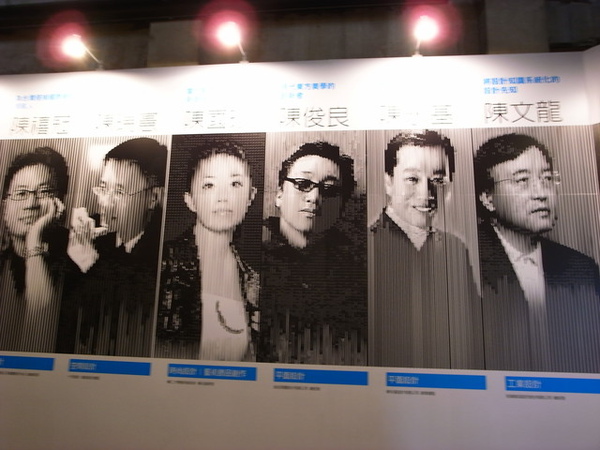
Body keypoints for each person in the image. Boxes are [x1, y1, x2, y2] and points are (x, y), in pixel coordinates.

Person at [474, 133, 600, 372]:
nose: (541, 193)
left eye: (547, 178)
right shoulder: (464, 263)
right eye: (522, 180)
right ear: (487, 198)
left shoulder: (581, 268)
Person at [370, 130, 484, 369]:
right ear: (388, 182)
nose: (427, 194)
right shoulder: (366, 246)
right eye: (412, 179)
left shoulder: (454, 248)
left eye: (438, 180)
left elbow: (472, 329)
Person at [259, 141, 367, 365]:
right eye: (302, 184)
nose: (315, 198)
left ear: (342, 205)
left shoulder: (356, 270)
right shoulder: (247, 255)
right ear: (279, 194)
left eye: (330, 190)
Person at [58, 137, 167, 356]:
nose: (105, 202)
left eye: (118, 192)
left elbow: (133, 324)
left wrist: (90, 264)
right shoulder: (88, 234)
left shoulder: (163, 250)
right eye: (103, 188)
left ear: (153, 197)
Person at [155, 140, 259, 361]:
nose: (223, 197)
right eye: (209, 185)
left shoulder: (253, 281)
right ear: (190, 200)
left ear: (251, 196)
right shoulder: (162, 264)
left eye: (235, 184)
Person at [0, 147, 69, 352]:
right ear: (4, 205)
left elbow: (40, 333)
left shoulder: (76, 262)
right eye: (21, 193)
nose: (31, 204)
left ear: (59, 203)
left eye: (44, 192)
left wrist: (34, 240)